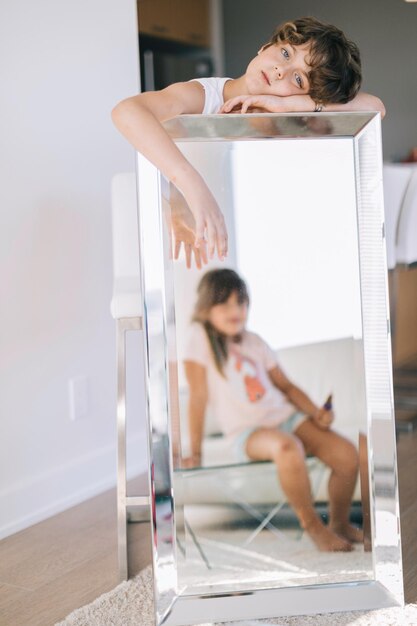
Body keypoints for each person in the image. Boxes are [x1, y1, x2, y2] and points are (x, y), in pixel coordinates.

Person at [112, 17, 385, 267]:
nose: (281, 70)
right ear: (266, 47)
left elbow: (375, 108)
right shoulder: (204, 96)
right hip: (188, 244)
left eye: (298, 79)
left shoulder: (291, 117)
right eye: (286, 53)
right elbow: (126, 111)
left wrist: (288, 105)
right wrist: (187, 188)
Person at [182, 268, 363, 552]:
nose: (236, 310)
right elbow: (197, 397)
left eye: (241, 303)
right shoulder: (199, 338)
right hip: (249, 432)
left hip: (287, 418)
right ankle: (313, 527)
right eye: (226, 303)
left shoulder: (254, 341)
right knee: (287, 447)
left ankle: (339, 523)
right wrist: (195, 450)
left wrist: (317, 413)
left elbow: (287, 388)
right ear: (206, 309)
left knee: (347, 454)